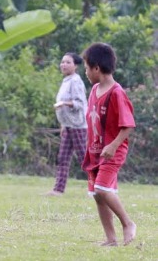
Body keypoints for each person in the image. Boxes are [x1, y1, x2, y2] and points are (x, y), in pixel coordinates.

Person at [81, 43, 136, 246]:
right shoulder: (94, 90)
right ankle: (111, 239)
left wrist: (113, 146)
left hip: (112, 152)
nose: (85, 72)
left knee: (103, 188)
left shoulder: (116, 93)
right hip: (96, 152)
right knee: (97, 194)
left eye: (86, 68)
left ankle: (128, 223)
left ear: (96, 68)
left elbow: (128, 125)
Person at [45, 53, 88, 196]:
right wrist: (63, 124)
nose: (63, 65)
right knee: (62, 158)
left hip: (78, 126)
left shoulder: (76, 81)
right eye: (62, 62)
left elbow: (79, 104)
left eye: (68, 62)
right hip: (68, 125)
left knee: (84, 158)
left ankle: (98, 187)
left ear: (75, 66)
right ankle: (58, 190)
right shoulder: (66, 81)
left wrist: (63, 103)